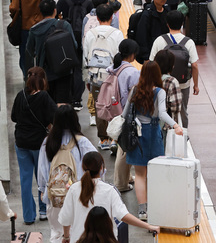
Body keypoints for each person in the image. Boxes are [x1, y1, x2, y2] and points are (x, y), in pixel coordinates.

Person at [123, 61, 183, 220]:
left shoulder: (135, 90)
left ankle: (142, 210)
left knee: (140, 175)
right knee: (155, 173)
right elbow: (162, 114)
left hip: (137, 134)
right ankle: (155, 205)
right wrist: (175, 125)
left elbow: (124, 114)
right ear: (157, 75)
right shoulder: (160, 92)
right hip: (153, 134)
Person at [58, 152, 160, 243]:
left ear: (82, 167)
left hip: (78, 239)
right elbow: (123, 216)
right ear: (101, 168)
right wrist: (148, 226)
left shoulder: (74, 189)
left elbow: (65, 218)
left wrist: (66, 237)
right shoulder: (109, 190)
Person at [37, 105, 95, 243]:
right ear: (75, 120)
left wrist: (42, 189)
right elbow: (98, 166)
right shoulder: (82, 142)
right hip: (78, 193)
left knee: (57, 231)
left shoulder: (48, 142)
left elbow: (42, 169)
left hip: (54, 194)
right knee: (77, 230)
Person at [11, 67, 57, 224]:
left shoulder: (20, 95)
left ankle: (28, 216)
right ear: (43, 80)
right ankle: (43, 211)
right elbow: (55, 116)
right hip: (39, 143)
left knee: (25, 180)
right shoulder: (44, 96)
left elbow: (13, 117)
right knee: (42, 177)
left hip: (21, 142)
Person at [83, 3, 124, 150]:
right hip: (112, 76)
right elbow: (120, 56)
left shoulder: (90, 34)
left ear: (97, 17)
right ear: (112, 16)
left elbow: (85, 57)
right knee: (115, 105)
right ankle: (114, 138)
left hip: (95, 76)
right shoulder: (117, 34)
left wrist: (87, 78)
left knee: (99, 105)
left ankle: (103, 139)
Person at [149, 10, 199, 128]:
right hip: (183, 84)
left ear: (167, 24)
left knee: (160, 109)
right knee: (182, 111)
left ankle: (162, 132)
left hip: (162, 83)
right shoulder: (189, 42)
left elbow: (151, 62)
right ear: (182, 24)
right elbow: (195, 65)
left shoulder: (160, 40)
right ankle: (183, 135)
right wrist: (195, 85)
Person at [25, 0, 77, 104]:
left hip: (44, 72)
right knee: (62, 102)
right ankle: (61, 120)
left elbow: (30, 50)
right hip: (64, 69)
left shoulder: (34, 30)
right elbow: (74, 45)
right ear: (55, 10)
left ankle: (50, 120)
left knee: (47, 103)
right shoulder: (64, 25)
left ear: (40, 12)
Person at [56, 0, 93, 110]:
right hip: (83, 38)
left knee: (66, 67)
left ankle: (68, 98)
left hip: (66, 38)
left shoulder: (62, 2)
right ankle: (77, 100)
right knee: (79, 68)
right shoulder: (89, 3)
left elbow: (56, 17)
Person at [108, 39, 140, 193]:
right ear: (132, 54)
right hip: (125, 114)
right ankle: (120, 183)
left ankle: (126, 177)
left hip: (114, 110)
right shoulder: (132, 72)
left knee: (124, 145)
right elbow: (134, 95)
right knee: (124, 149)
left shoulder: (114, 67)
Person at [9, 0, 49, 75]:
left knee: (25, 54)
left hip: (24, 28)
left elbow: (14, 8)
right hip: (41, 27)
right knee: (42, 53)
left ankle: (27, 76)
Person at [135, 0, 170, 64]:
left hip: (165, 53)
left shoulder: (167, 11)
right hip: (151, 54)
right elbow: (142, 36)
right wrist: (146, 57)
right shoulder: (147, 14)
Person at [154, 49, 182, 125]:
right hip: (165, 124)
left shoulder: (148, 78)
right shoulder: (172, 82)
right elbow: (176, 107)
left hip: (147, 123)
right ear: (171, 66)